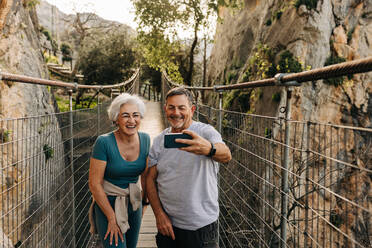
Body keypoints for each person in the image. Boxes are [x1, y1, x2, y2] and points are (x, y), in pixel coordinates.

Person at [146, 87, 232, 248]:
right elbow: (150, 179)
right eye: (171, 107)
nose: (176, 112)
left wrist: (209, 149)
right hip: (168, 226)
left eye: (181, 108)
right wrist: (159, 215)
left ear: (192, 110)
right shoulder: (159, 141)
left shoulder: (205, 132)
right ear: (165, 109)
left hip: (200, 228)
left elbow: (226, 155)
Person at [88, 93, 150, 248]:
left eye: (136, 115)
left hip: (133, 202)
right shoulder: (104, 142)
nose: (131, 120)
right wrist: (111, 218)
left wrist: (144, 203)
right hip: (107, 204)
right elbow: (94, 184)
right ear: (116, 119)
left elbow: (146, 177)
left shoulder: (146, 139)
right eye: (125, 116)